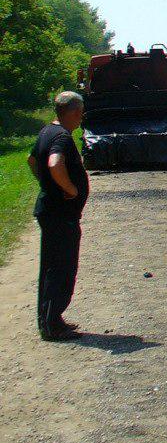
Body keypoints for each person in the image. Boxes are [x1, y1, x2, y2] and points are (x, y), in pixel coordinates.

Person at [28, 91, 90, 341]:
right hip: (60, 214)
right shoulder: (62, 137)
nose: (81, 117)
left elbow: (32, 160)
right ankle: (52, 325)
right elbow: (54, 164)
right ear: (74, 112)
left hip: (51, 210)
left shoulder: (46, 131)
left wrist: (46, 185)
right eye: (81, 112)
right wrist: (69, 188)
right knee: (61, 268)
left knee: (51, 266)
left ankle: (51, 319)